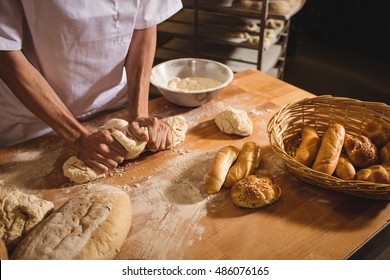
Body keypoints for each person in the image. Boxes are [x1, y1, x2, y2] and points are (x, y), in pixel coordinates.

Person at [0, 0, 183, 173]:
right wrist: (78, 137)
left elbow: (145, 24)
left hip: (114, 109)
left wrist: (139, 114)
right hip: (32, 123)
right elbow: (6, 54)